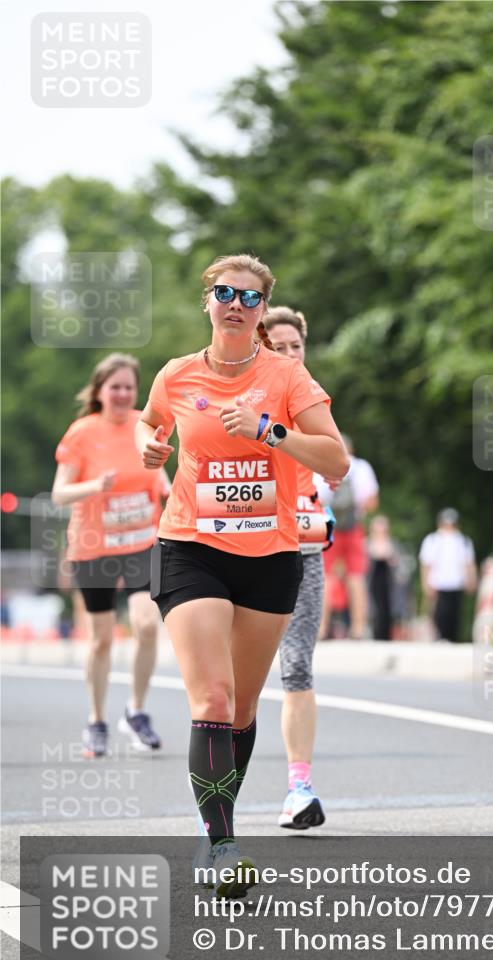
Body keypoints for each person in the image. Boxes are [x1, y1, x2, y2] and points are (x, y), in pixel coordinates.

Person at [136, 254, 348, 897]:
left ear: (262, 312)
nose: (237, 304)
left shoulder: (287, 376)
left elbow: (335, 459)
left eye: (251, 298)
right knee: (213, 700)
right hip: (190, 548)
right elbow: (149, 424)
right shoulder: (177, 374)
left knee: (243, 710)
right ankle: (224, 845)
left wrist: (271, 431)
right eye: (226, 293)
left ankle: (213, 827)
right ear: (208, 300)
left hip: (270, 555)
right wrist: (148, 445)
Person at [51, 354, 167, 758]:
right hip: (94, 546)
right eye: (114, 387)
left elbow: (159, 473)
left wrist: (169, 489)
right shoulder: (82, 433)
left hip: (141, 542)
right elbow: (59, 493)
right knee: (101, 640)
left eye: (129, 387)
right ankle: (97, 719)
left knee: (146, 625)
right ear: (99, 390)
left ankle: (136, 711)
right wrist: (94, 486)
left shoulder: (144, 425)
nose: (122, 394)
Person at [264, 306, 338, 830]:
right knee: (235, 682)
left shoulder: (312, 401)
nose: (290, 354)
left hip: (303, 552)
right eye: (280, 346)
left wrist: (324, 491)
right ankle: (218, 797)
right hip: (245, 552)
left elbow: (335, 461)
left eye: (297, 346)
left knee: (296, 667)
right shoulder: (244, 399)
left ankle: (299, 788)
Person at [316, 435, 379, 639]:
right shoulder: (362, 468)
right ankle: (358, 627)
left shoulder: (322, 464)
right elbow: (372, 502)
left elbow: (316, 499)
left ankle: (322, 627)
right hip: (354, 527)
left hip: (328, 526)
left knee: (326, 576)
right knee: (356, 576)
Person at [419, 508, 478, 642]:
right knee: (440, 613)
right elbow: (426, 564)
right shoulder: (433, 540)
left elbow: (469, 563)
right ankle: (440, 637)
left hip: (457, 583)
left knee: (455, 614)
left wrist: (472, 579)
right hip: (438, 583)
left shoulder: (463, 541)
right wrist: (426, 583)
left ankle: (453, 638)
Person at [367, 515, 398, 640]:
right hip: (372, 578)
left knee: (387, 605)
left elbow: (396, 562)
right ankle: (375, 633)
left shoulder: (391, 542)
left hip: (387, 579)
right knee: (374, 606)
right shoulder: (367, 542)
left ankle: (386, 634)